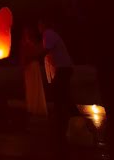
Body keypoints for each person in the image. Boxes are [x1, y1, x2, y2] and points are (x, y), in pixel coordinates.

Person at [36, 17, 75, 146]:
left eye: (40, 25)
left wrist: (33, 54)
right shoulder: (51, 34)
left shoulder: (48, 34)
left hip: (64, 67)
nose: (39, 28)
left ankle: (62, 117)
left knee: (58, 91)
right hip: (64, 67)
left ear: (43, 25)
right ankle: (68, 112)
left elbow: (45, 50)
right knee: (61, 90)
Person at [19, 25, 47, 117]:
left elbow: (32, 54)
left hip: (32, 67)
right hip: (30, 67)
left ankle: (35, 108)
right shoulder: (26, 43)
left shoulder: (29, 44)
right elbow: (26, 56)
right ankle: (33, 107)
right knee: (32, 87)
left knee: (34, 87)